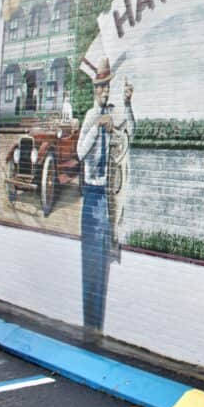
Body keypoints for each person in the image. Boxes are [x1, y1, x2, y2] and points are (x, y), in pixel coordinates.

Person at [76, 57, 134, 334]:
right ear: (94, 88)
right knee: (91, 262)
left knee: (106, 258)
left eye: (107, 86)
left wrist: (128, 103)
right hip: (92, 196)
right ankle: (90, 324)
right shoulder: (90, 115)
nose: (104, 91)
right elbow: (80, 152)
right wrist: (97, 126)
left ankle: (98, 326)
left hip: (109, 195)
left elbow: (130, 133)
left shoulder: (113, 113)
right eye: (100, 87)